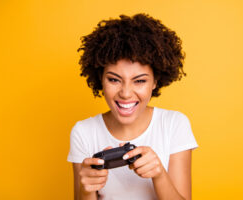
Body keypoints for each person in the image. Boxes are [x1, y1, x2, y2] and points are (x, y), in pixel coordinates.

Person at [67, 13, 198, 200]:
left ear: (155, 81)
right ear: (100, 79)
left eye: (139, 81)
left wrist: (159, 174)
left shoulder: (174, 124)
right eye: (114, 79)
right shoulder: (83, 132)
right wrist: (87, 190)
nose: (126, 93)